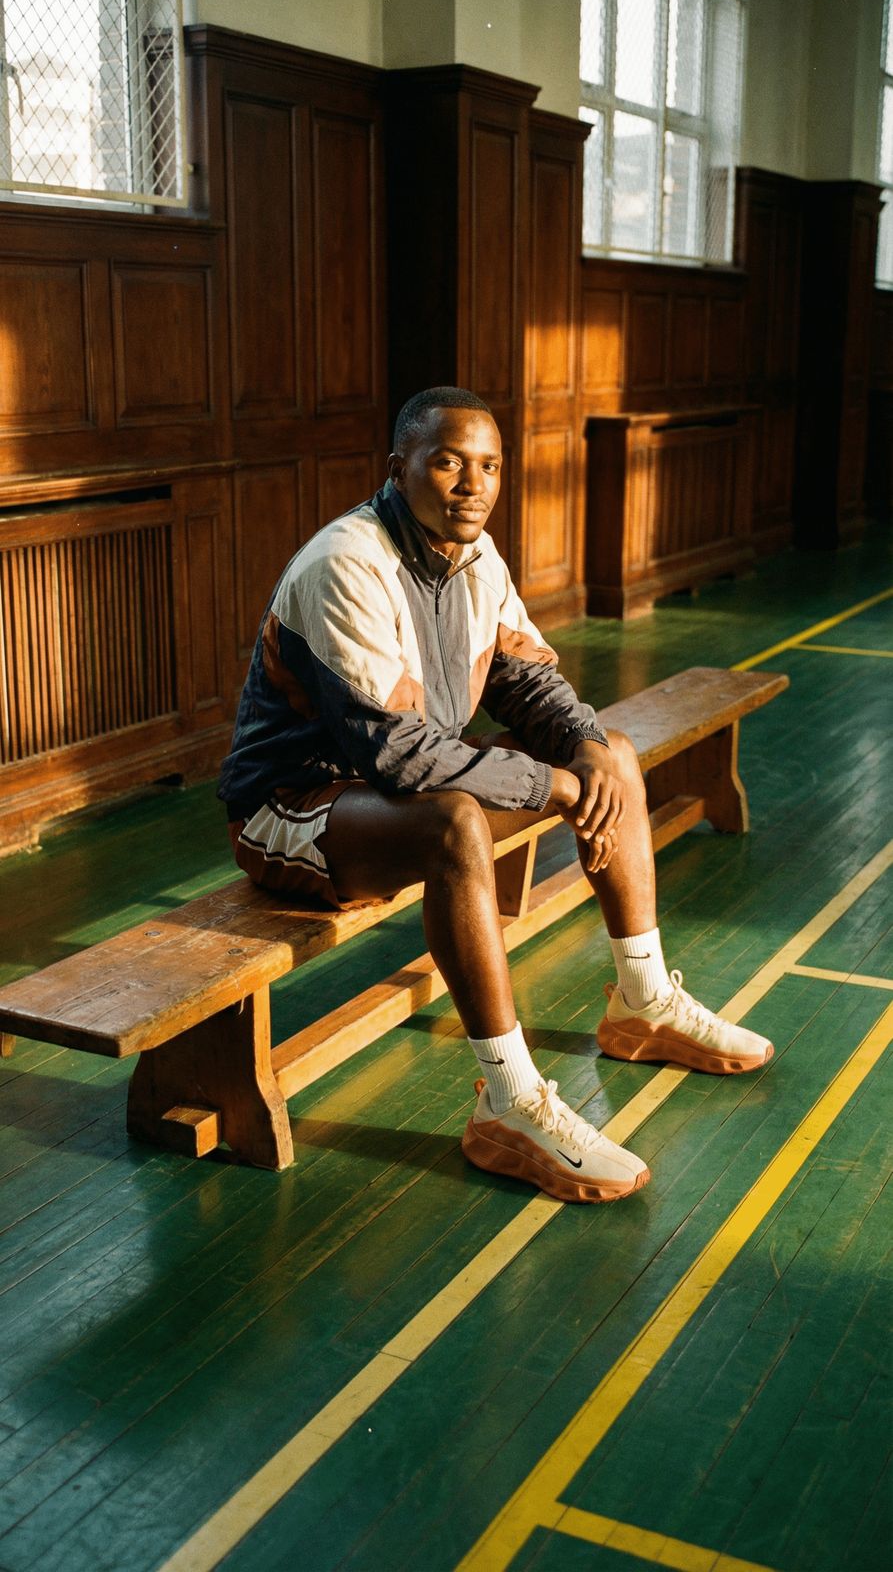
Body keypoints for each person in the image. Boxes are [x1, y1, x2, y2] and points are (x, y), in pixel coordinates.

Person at [219, 387, 772, 1204]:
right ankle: (509, 1104)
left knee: (610, 753)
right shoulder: (345, 563)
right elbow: (399, 757)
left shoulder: (475, 559)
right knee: (453, 825)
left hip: (399, 786)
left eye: (488, 467)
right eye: (447, 462)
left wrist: (582, 749)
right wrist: (545, 783)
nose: (470, 484)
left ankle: (642, 1001)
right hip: (295, 809)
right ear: (398, 469)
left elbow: (527, 687)